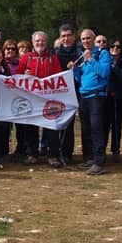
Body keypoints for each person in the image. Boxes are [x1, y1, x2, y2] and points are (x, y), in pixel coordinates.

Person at [18, 30, 64, 166]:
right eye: (37, 41)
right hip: (31, 99)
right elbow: (17, 77)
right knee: (30, 128)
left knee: (52, 128)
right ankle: (32, 154)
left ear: (46, 42)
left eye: (42, 41)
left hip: (49, 99)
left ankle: (53, 155)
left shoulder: (53, 58)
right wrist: (24, 75)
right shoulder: (26, 58)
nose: (40, 43)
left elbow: (60, 77)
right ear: (33, 42)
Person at [76, 29, 111, 175]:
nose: (86, 41)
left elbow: (105, 72)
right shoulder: (82, 55)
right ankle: (89, 158)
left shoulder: (102, 54)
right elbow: (81, 77)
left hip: (97, 96)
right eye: (83, 39)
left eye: (88, 38)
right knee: (86, 129)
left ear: (93, 39)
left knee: (97, 129)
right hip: (84, 96)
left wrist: (91, 59)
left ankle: (99, 162)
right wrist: (73, 70)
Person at [53, 24, 82, 162]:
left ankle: (67, 153)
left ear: (74, 37)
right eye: (63, 36)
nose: (66, 39)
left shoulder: (80, 52)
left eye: (69, 35)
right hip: (59, 92)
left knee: (70, 124)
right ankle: (54, 151)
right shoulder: (55, 53)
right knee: (57, 122)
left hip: (77, 91)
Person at [106, 37, 122, 162]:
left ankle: (115, 150)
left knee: (117, 123)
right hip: (106, 95)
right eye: (112, 46)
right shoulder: (104, 59)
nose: (115, 49)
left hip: (121, 95)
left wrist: (116, 69)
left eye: (118, 47)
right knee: (104, 124)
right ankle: (101, 150)